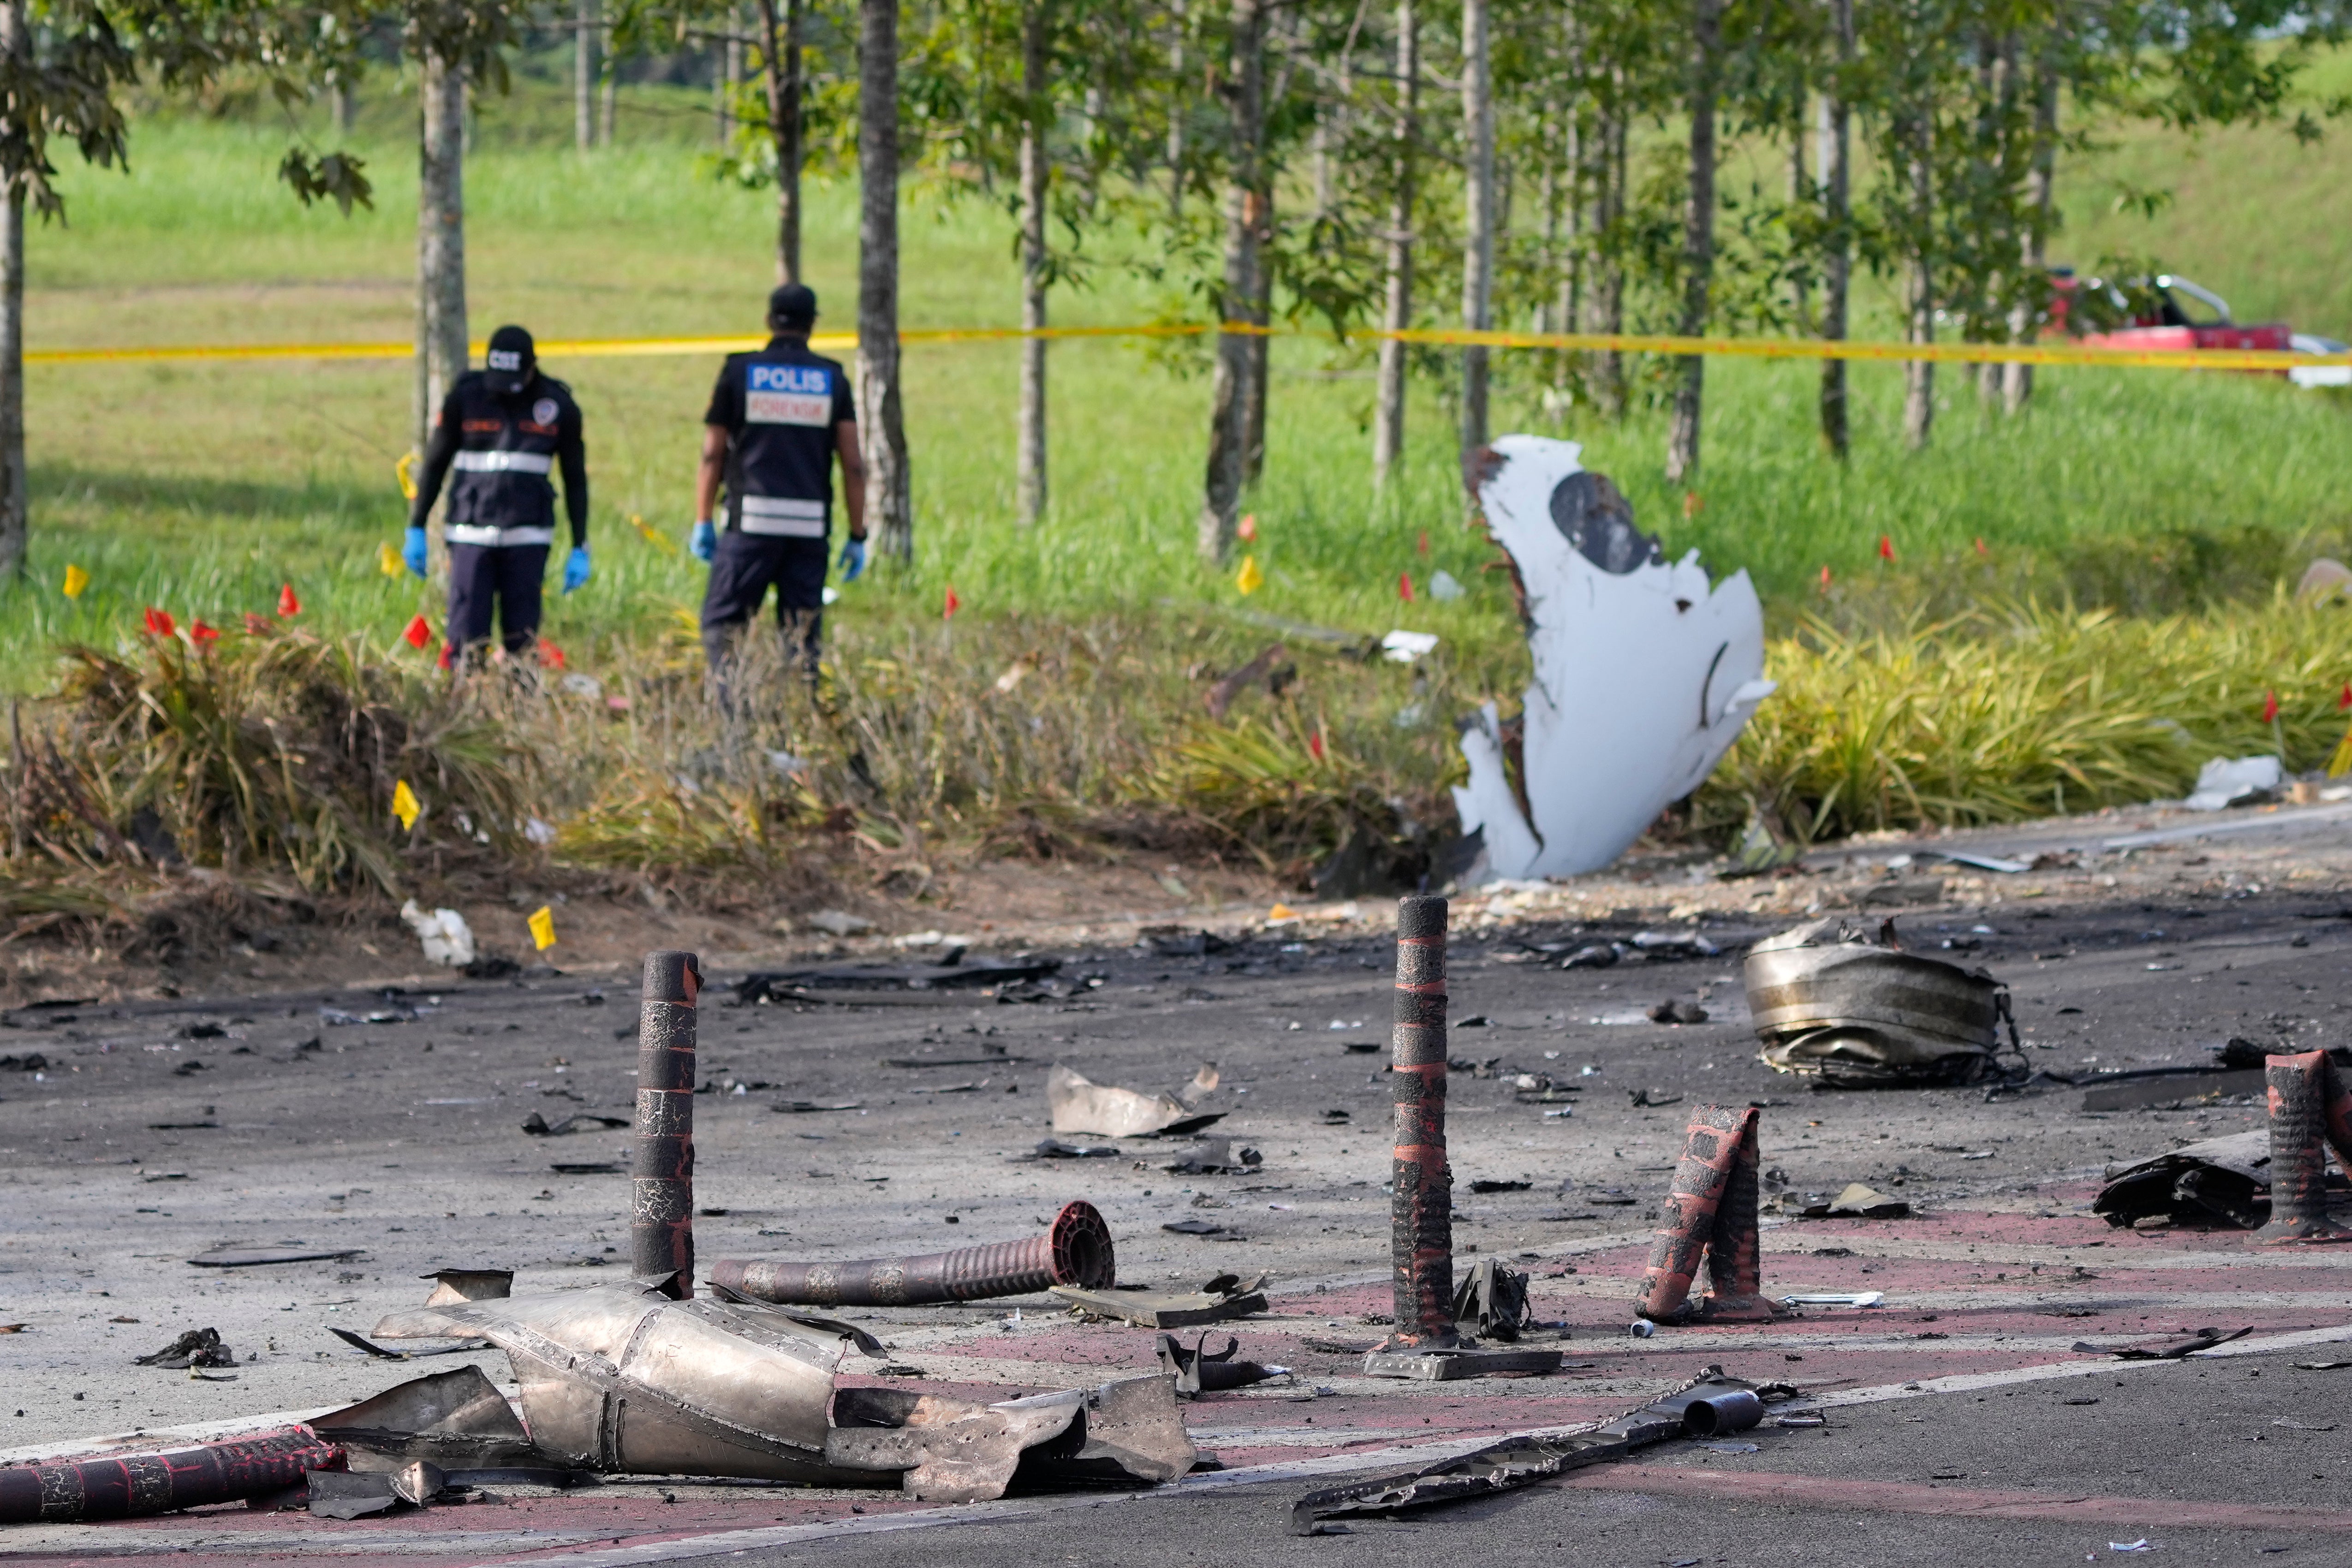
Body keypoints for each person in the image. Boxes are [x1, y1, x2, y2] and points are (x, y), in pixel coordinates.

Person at [693, 282, 865, 685]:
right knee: (801, 638)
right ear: (813, 325)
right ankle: (798, 721)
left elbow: (712, 455)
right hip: (808, 530)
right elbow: (853, 465)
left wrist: (703, 519)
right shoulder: (832, 378)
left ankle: (736, 720)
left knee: (723, 627)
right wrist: (859, 534)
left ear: (769, 320)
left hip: (751, 526)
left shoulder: (740, 372)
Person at [404, 324, 590, 665]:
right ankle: (464, 709)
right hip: (470, 534)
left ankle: (519, 711)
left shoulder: (558, 405)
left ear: (532, 368)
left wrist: (581, 544)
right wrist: (416, 525)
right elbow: (434, 464)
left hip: (528, 537)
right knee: (465, 641)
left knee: (523, 641)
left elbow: (575, 480)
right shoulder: (466, 396)